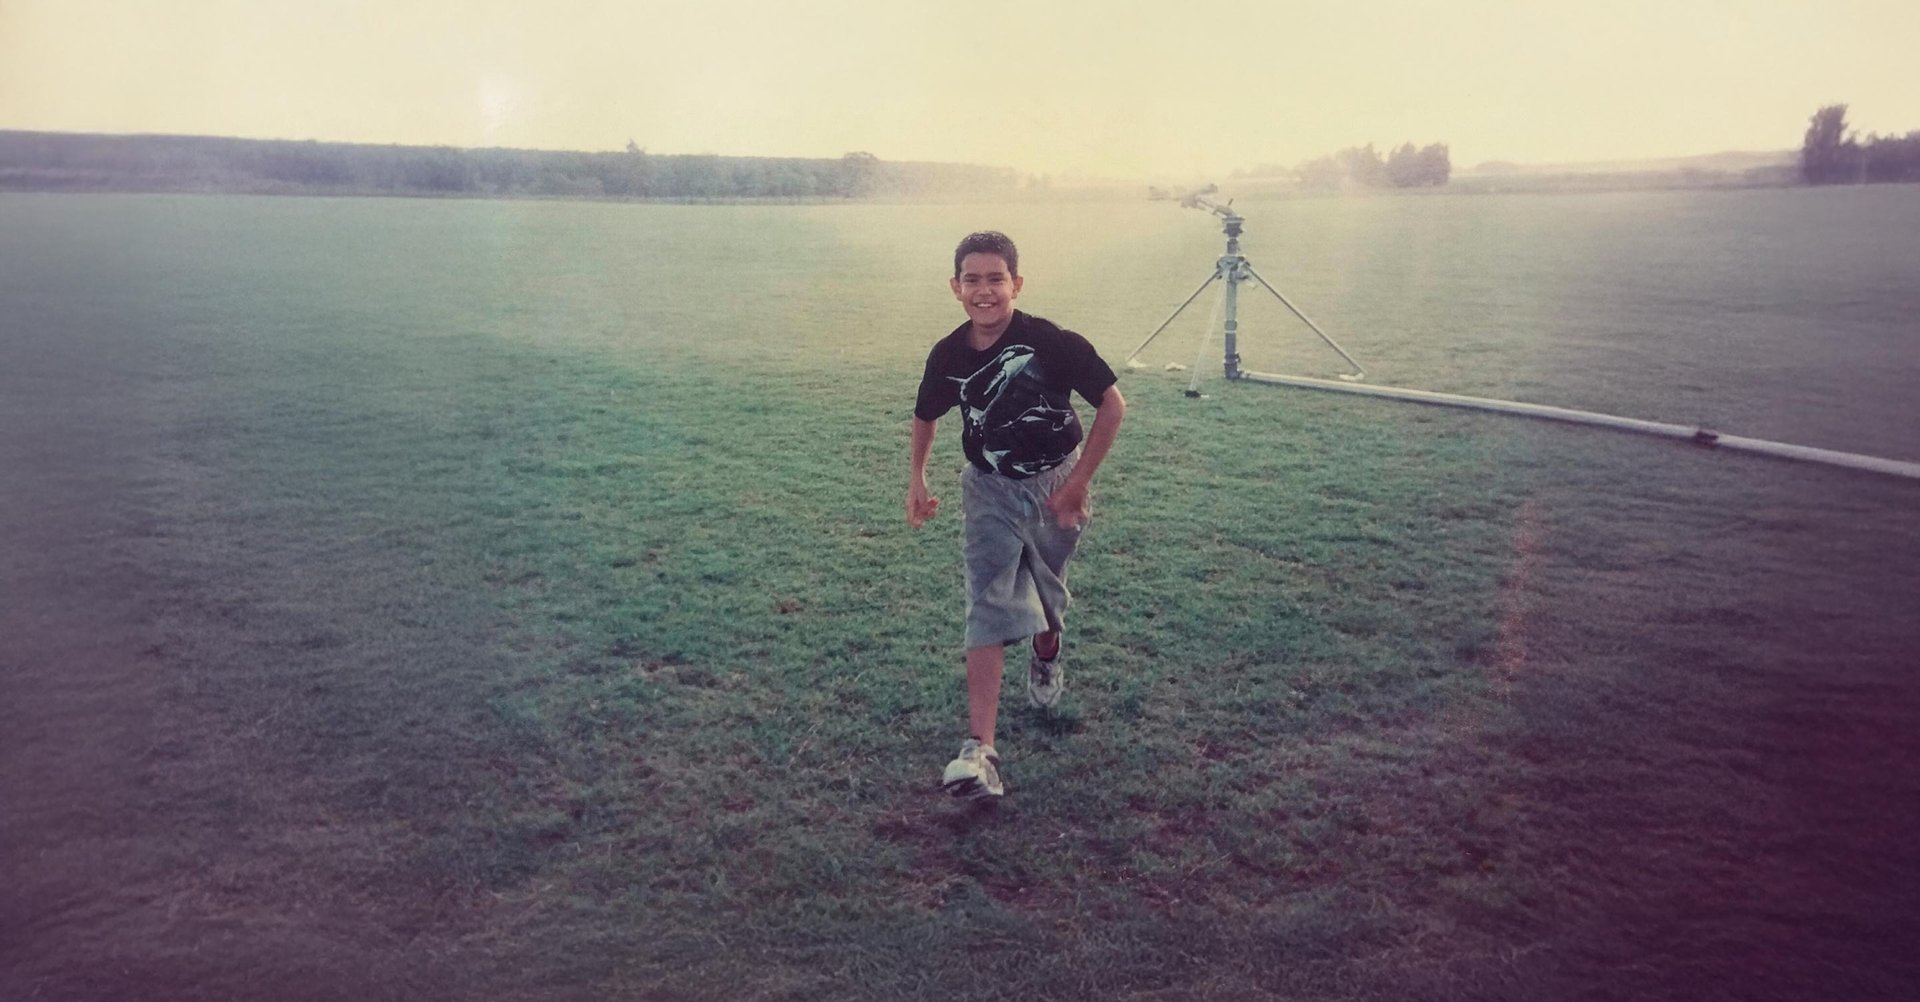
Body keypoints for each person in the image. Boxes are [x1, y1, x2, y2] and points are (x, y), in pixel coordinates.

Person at [907, 231, 1126, 800]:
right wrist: (917, 478)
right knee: (987, 602)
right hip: (988, 489)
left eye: (995, 279)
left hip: (1056, 483)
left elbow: (1112, 402)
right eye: (972, 280)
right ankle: (981, 750)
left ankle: (1047, 650)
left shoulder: (1050, 341)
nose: (984, 291)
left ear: (1016, 284)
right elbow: (926, 414)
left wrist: (1077, 485)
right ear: (956, 288)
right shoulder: (950, 354)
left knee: (1047, 599)